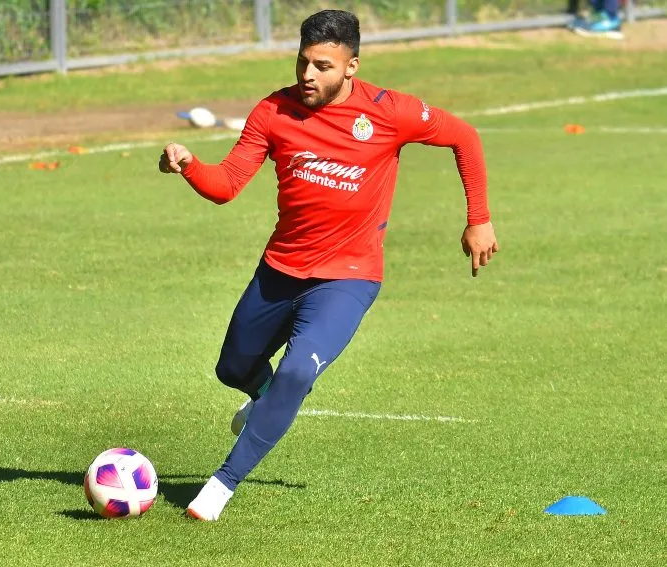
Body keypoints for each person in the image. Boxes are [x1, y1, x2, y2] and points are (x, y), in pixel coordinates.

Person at [158, 9, 498, 521]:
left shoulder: (389, 112)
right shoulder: (273, 111)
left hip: (349, 277)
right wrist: (188, 166)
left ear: (351, 66)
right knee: (232, 368)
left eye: (322, 65)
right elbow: (226, 185)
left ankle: (221, 485)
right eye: (302, 62)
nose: (308, 75)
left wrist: (480, 220)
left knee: (297, 370)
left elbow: (465, 138)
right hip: (280, 271)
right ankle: (265, 396)